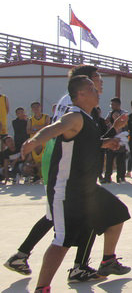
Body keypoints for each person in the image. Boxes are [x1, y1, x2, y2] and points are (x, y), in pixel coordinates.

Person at [20, 75, 131, 292]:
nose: (97, 91)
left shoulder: (88, 119)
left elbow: (88, 142)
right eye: (92, 88)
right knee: (63, 240)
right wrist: (34, 141)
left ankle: (108, 260)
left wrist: (108, 139)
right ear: (80, 94)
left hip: (87, 188)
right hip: (67, 190)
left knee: (118, 213)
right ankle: (42, 288)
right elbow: (55, 128)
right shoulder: (74, 116)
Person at [4, 65, 110, 283]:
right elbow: (65, 131)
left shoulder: (76, 102)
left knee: (55, 215)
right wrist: (34, 141)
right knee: (81, 214)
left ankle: (22, 255)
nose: (101, 83)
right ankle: (77, 267)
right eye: (97, 78)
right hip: (62, 162)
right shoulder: (78, 105)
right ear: (85, 83)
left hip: (64, 162)